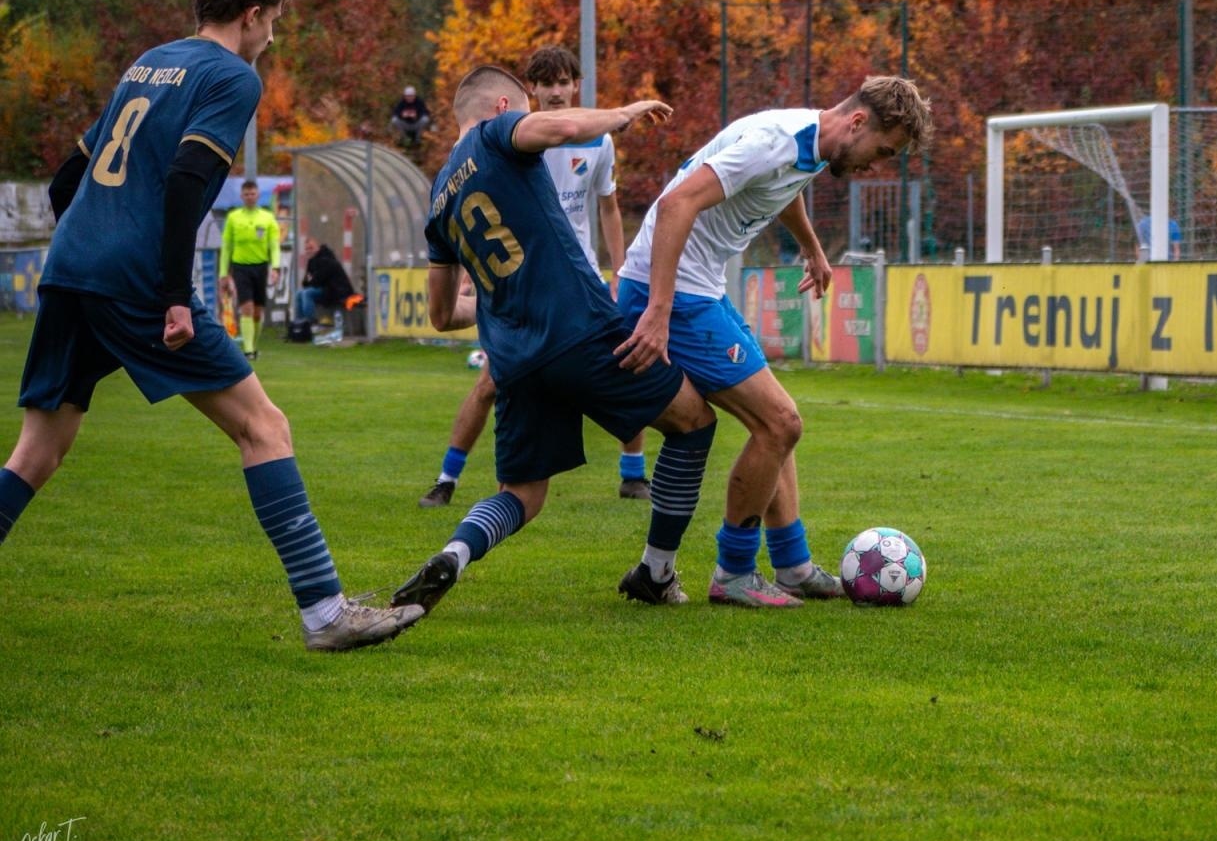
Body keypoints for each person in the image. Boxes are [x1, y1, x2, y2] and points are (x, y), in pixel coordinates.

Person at [0, 0, 421, 651]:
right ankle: (325, 613)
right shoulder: (231, 76)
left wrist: (89, 239)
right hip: (135, 277)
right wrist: (171, 294)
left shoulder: (148, 62)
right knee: (264, 427)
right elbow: (190, 181)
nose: (274, 38)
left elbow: (69, 178)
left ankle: (326, 611)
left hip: (70, 267)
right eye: (273, 23)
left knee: (36, 452)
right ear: (251, 14)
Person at [390, 66, 719, 617]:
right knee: (693, 422)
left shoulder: (439, 198)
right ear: (502, 107)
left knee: (522, 494)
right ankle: (657, 572)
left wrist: (499, 303)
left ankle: (454, 553)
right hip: (579, 331)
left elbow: (443, 315)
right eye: (523, 108)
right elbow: (562, 129)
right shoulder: (495, 135)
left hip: (515, 360)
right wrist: (623, 113)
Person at [614, 76, 933, 608]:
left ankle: (793, 564)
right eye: (883, 151)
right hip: (671, 292)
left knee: (777, 425)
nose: (875, 166)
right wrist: (658, 312)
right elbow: (675, 205)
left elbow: (784, 191)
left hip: (700, 290)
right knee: (780, 422)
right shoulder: (774, 142)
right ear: (857, 123)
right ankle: (734, 572)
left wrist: (810, 247)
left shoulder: (806, 145)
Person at [419, 46, 651, 507]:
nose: (557, 90)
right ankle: (448, 477)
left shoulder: (597, 141)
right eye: (547, 83)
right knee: (490, 382)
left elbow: (608, 206)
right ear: (531, 91)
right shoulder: (508, 136)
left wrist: (620, 270)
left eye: (565, 81)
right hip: (523, 279)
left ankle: (633, 474)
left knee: (628, 360)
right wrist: (472, 276)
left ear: (575, 85)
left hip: (576, 275)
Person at [219, 178, 279, 360]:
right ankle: (248, 351)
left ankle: (253, 344)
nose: (250, 197)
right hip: (240, 267)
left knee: (258, 312)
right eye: (246, 194)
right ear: (242, 196)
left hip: (260, 267)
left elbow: (274, 245)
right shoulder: (233, 217)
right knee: (247, 307)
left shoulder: (267, 218)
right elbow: (227, 246)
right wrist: (223, 273)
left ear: (258, 195)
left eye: (253, 193)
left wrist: (275, 267)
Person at [296, 237, 354, 322]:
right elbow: (305, 282)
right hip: (323, 289)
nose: (309, 251)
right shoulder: (311, 262)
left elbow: (318, 280)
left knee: (307, 293)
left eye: (311, 248)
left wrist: (311, 279)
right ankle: (300, 323)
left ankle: (310, 322)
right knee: (299, 293)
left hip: (335, 291)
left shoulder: (326, 259)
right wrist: (311, 280)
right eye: (306, 249)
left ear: (317, 247)